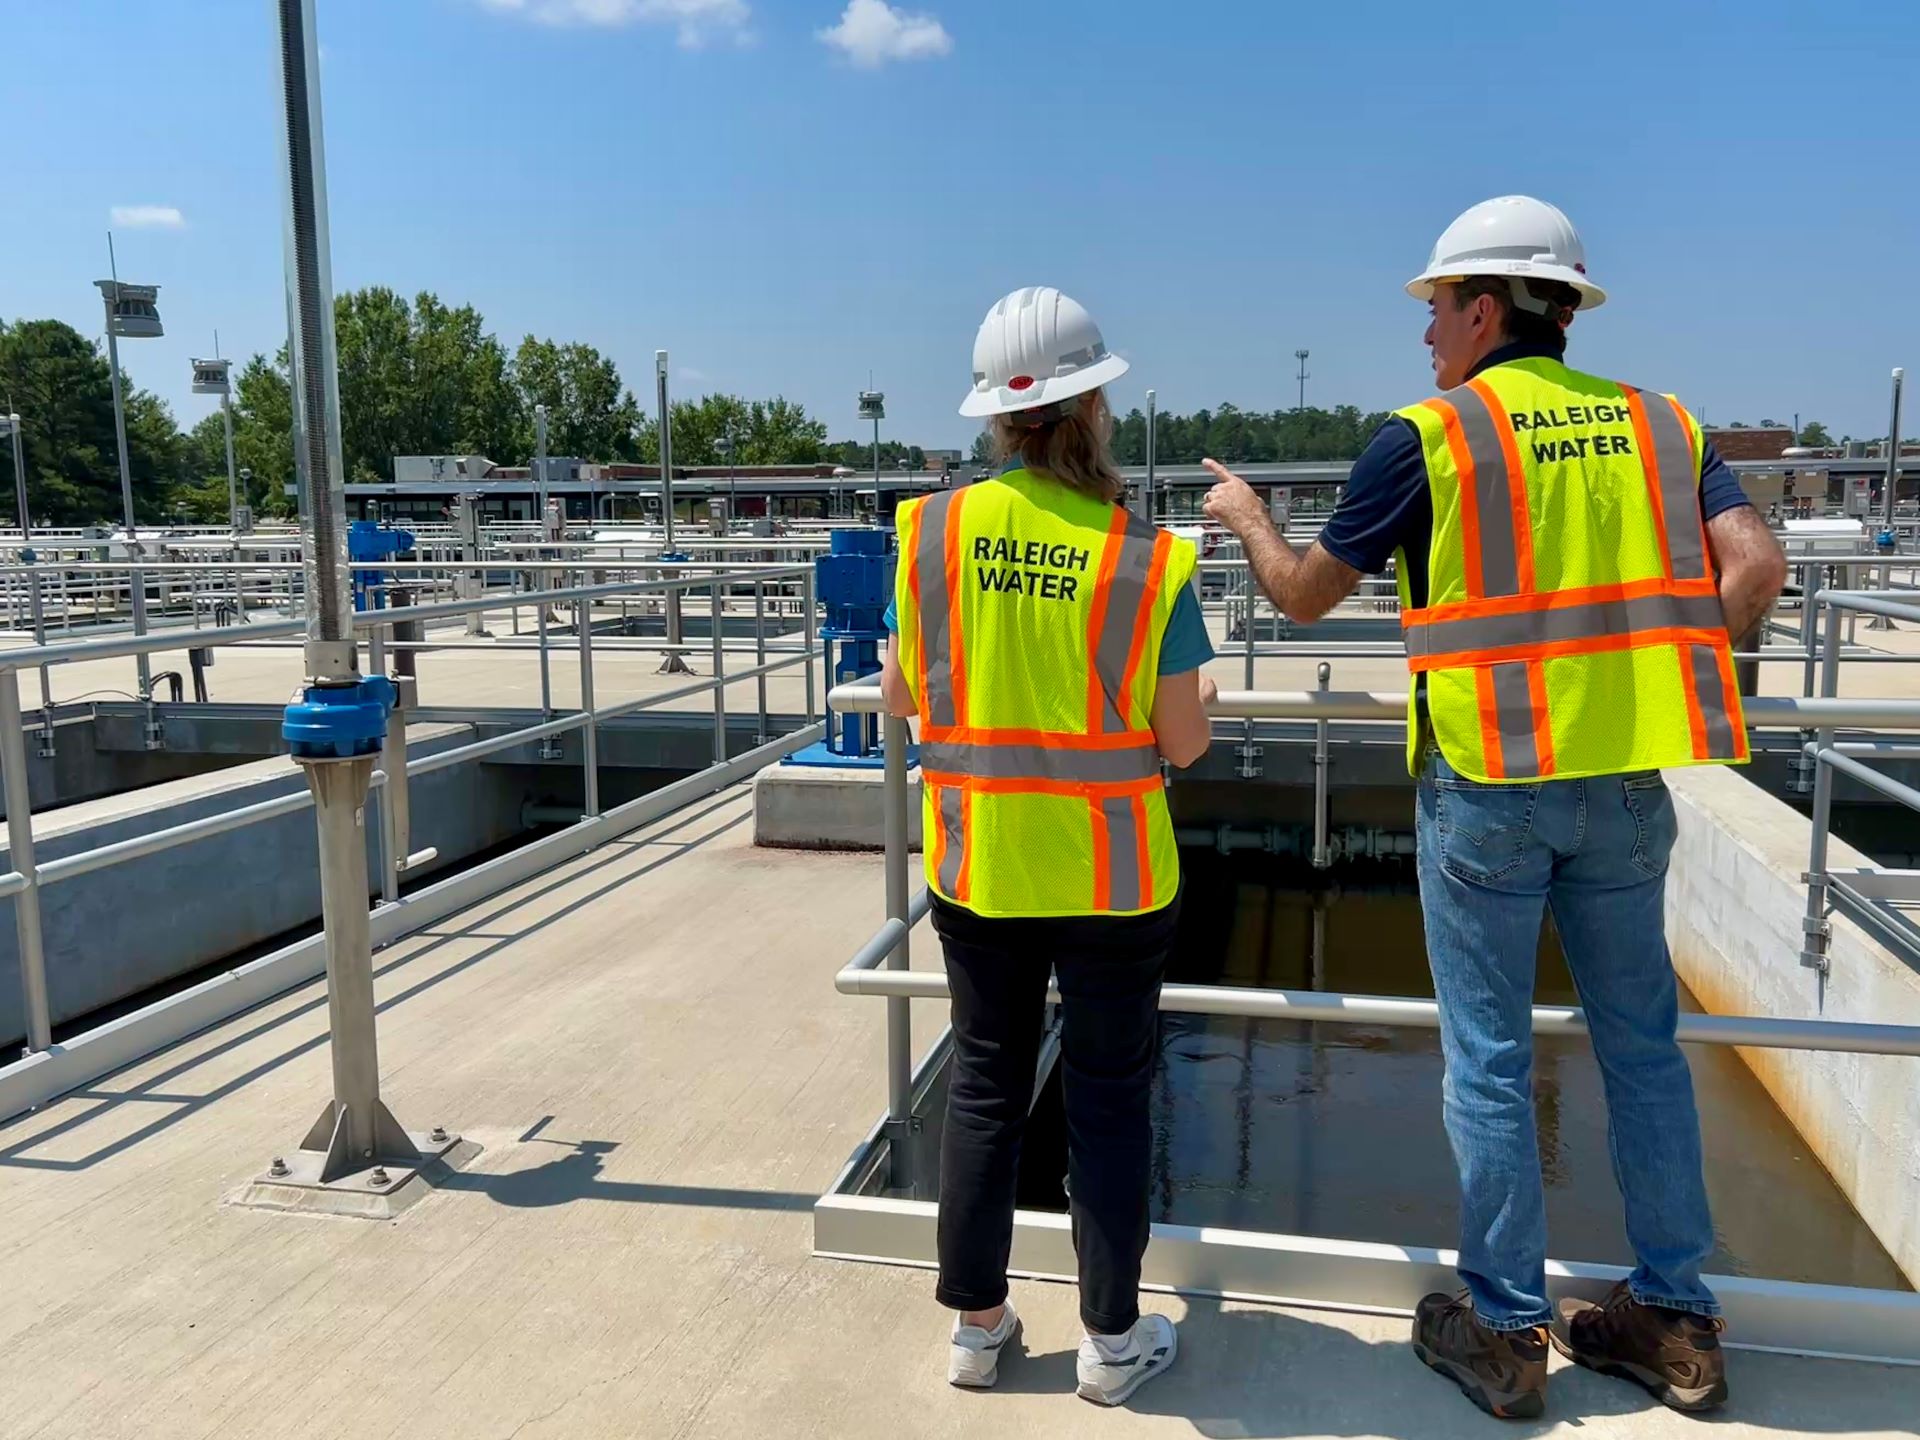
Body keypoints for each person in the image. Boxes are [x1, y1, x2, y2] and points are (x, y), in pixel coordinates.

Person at [1201, 196, 1786, 1421]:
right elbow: (1755, 571)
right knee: (1643, 1051)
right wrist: (1666, 670)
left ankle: (1512, 1330)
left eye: (1433, 311)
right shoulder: (1662, 426)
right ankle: (1675, 1319)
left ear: (1483, 308)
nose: (1424, 337)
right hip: (1627, 784)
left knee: (1490, 1060)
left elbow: (1307, 595)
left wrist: (1249, 517)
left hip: (1487, 793)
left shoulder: (1433, 437)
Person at [879, 286, 1217, 1407]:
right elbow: (1183, 739)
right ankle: (1112, 1347)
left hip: (979, 864)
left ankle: (979, 1331)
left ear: (995, 416)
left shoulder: (929, 536)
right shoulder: (1146, 556)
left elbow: (901, 698)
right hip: (1114, 879)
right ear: (1095, 404)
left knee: (984, 1086)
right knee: (1110, 1104)